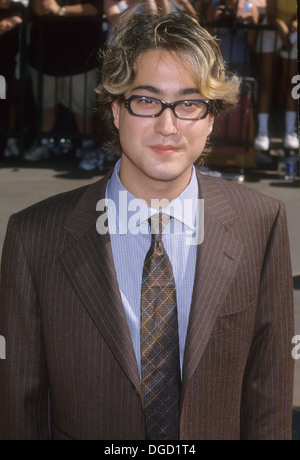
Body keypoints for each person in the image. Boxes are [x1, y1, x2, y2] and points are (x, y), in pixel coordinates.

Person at [0, 12, 295, 440]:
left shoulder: (261, 223)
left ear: (212, 118)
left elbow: (267, 394)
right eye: (147, 100)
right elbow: (19, 405)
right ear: (116, 109)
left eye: (189, 103)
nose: (168, 125)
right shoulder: (34, 237)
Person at [23, 0, 104, 163]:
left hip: (81, 59)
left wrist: (60, 10)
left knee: (83, 109)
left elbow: (95, 8)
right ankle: (43, 143)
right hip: (45, 58)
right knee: (46, 106)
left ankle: (87, 146)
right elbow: (37, 8)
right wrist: (44, 7)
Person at [254, 0, 298, 151]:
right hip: (271, 31)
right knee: (266, 82)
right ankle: (262, 132)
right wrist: (280, 25)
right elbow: (271, 15)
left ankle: (291, 132)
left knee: (293, 82)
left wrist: (295, 24)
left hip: (294, 34)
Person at [0, 0, 25, 159]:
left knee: (3, 102)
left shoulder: (17, 7)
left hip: (5, 69)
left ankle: (5, 141)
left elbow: (11, 22)